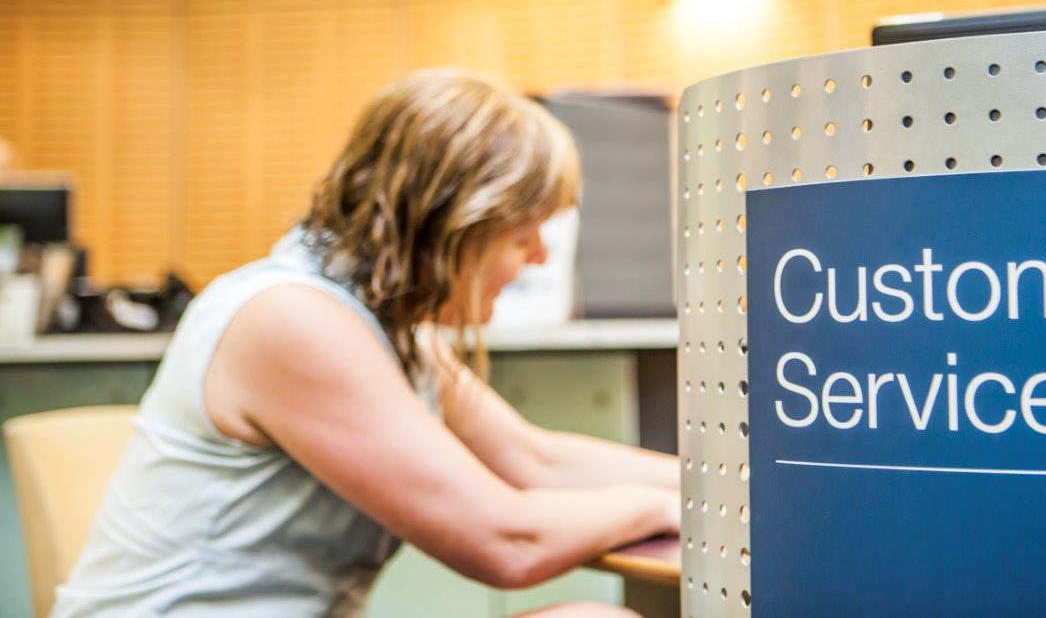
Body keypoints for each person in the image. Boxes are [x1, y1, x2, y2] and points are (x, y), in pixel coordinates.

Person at [54, 70, 680, 616]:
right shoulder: (293, 321)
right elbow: (506, 542)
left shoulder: (385, 326)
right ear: (452, 226)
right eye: (523, 235)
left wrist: (723, 484)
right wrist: (665, 509)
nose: (540, 257)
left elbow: (535, 462)